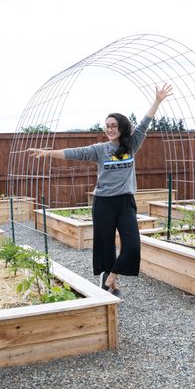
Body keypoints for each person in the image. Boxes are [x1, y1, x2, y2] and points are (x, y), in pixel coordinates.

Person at [27, 83, 173, 297]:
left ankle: (110, 279)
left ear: (121, 127)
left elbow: (145, 123)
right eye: (107, 126)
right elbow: (74, 152)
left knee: (132, 245)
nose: (110, 129)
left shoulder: (132, 144)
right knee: (105, 246)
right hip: (103, 203)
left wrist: (158, 101)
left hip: (125, 203)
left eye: (113, 125)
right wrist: (47, 153)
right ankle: (111, 285)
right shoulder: (100, 150)